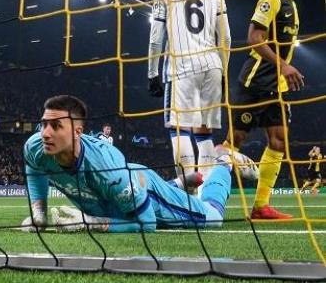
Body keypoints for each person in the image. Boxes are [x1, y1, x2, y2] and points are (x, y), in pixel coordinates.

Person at [22, 95, 256, 233]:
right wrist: (39, 211)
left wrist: (92, 223)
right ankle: (179, 183)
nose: (45, 133)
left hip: (146, 194)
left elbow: (147, 223)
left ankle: (224, 161)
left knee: (213, 218)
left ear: (77, 132)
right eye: (43, 124)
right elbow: (33, 167)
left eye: (56, 126)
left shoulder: (106, 166)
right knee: (123, 196)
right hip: (127, 185)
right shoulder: (36, 147)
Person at [224, 0, 307, 220]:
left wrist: (283, 71)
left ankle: (261, 206)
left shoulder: (291, 5)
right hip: (256, 82)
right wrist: (283, 65)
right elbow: (254, 38)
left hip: (277, 87)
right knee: (234, 142)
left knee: (279, 140)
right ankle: (204, 196)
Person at [148, 0, 231, 186]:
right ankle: (205, 192)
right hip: (212, 65)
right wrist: (223, 73)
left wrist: (152, 73)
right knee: (204, 132)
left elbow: (156, 37)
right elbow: (225, 39)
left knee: (180, 128)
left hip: (180, 67)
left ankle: (188, 192)